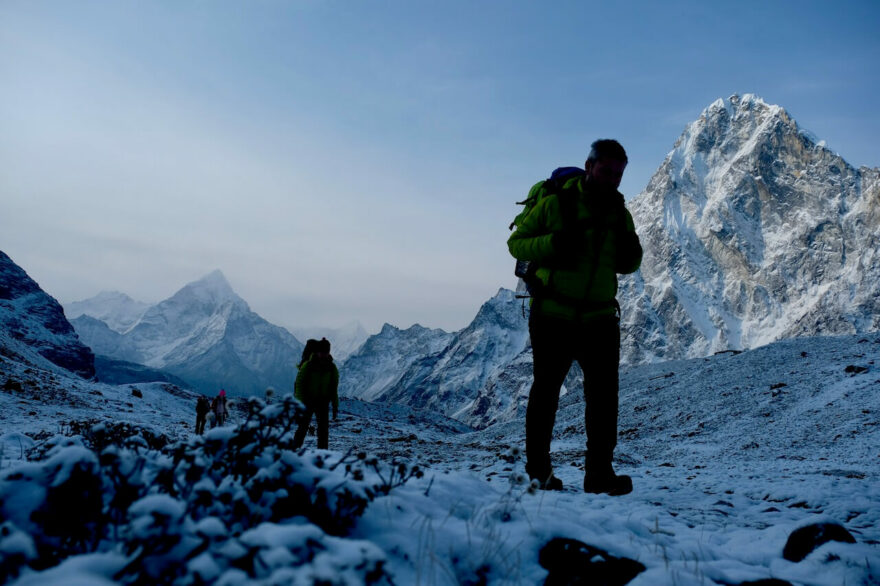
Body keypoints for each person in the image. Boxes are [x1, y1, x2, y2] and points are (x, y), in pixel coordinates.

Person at [507, 139, 642, 495]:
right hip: (554, 312)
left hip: (599, 317)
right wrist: (553, 244)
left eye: (618, 173)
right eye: (606, 170)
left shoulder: (619, 213)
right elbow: (517, 243)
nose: (612, 179)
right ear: (589, 166)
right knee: (546, 394)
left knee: (603, 398)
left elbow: (627, 265)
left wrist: (633, 252)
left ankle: (599, 475)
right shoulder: (557, 203)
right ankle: (539, 473)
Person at [292, 338, 339, 450]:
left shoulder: (332, 368)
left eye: (326, 352)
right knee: (303, 428)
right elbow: (299, 385)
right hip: (308, 401)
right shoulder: (308, 365)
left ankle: (322, 454)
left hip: (323, 402)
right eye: (322, 352)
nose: (323, 355)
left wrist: (335, 405)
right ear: (317, 352)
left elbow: (333, 388)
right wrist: (300, 403)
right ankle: (293, 451)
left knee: (323, 430)